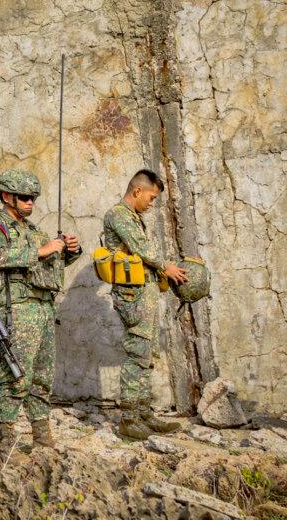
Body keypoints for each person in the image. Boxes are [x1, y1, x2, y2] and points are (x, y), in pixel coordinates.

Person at [0, 169, 81, 455]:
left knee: (42, 376)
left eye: (33, 198)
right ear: (7, 197)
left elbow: (48, 266)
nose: (30, 203)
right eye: (24, 198)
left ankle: (42, 436)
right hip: (15, 308)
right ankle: (5, 437)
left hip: (42, 307)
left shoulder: (32, 230)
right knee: (15, 374)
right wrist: (42, 251)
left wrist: (68, 251)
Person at [102, 169, 188, 440]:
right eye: (151, 198)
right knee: (137, 355)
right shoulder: (118, 214)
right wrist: (167, 267)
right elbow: (140, 248)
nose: (152, 203)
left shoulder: (135, 217)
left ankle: (144, 414)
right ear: (137, 191)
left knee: (146, 356)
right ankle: (128, 419)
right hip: (133, 296)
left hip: (144, 293)